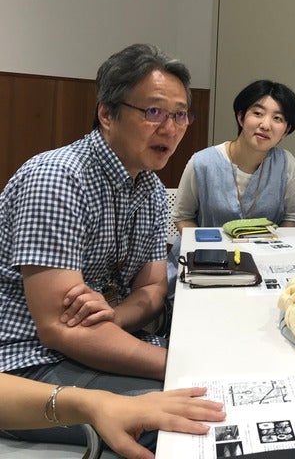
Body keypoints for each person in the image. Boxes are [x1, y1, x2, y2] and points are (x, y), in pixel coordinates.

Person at [0, 43, 194, 449]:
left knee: (212, 391)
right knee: (190, 419)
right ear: (107, 114)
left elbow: (153, 288)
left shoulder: (151, 189)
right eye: (154, 111)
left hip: (93, 347)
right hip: (27, 367)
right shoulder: (57, 179)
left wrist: (114, 315)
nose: (170, 128)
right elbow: (59, 329)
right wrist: (181, 364)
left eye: (180, 115)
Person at [167, 80, 295, 293]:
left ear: (286, 131)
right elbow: (182, 216)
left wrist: (272, 253)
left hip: (261, 266)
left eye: (278, 118)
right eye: (258, 113)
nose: (266, 125)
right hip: (206, 266)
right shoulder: (202, 162)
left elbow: (291, 217)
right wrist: (208, 252)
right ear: (241, 117)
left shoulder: (286, 164)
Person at [0, 373, 225, 459]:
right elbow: (60, 331)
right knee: (174, 427)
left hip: (61, 362)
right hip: (30, 372)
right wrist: (91, 404)